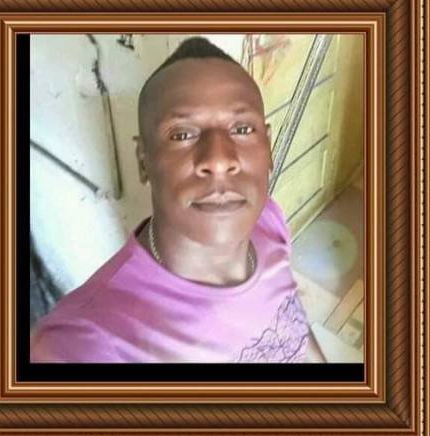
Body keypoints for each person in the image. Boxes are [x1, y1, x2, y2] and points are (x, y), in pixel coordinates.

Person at [31, 37, 324, 363]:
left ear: (267, 148)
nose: (218, 160)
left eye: (242, 129)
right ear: (144, 162)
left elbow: (292, 323)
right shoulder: (83, 343)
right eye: (182, 134)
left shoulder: (268, 219)